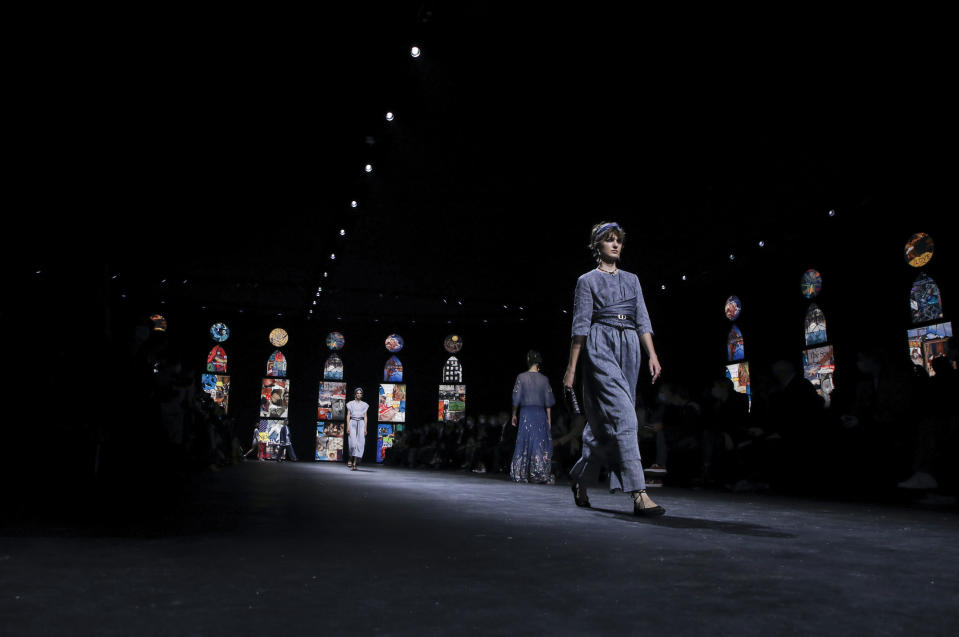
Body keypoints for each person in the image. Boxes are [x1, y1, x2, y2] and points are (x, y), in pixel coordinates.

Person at [564, 221, 665, 516]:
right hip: (600, 345)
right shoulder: (587, 281)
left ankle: (579, 479)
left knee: (602, 429)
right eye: (609, 240)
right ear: (597, 245)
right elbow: (580, 326)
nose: (616, 244)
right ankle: (639, 492)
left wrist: (652, 355)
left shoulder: (632, 280)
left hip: (630, 346)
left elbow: (643, 319)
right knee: (625, 417)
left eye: (618, 240)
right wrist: (571, 368)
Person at [509, 350, 557, 483]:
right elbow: (548, 402)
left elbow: (516, 399)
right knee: (538, 443)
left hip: (526, 413)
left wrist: (514, 414)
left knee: (525, 441)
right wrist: (549, 419)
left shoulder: (521, 377)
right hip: (540, 414)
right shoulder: (544, 379)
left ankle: (521, 473)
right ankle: (538, 473)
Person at [346, 388, 369, 470]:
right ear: (355, 394)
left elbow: (365, 416)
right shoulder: (350, 404)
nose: (359, 394)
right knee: (352, 443)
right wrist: (347, 426)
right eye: (357, 393)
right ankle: (350, 457)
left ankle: (355, 463)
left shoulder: (364, 405)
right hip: (353, 422)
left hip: (361, 423)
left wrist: (365, 428)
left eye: (360, 393)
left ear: (361, 395)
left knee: (360, 443)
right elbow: (348, 415)